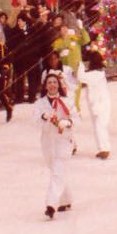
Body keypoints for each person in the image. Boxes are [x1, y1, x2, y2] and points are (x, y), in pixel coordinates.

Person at [35, 70, 74, 219]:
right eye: (49, 82)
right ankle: (66, 199)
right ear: (45, 86)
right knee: (56, 171)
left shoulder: (67, 101)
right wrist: (43, 117)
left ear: (59, 85)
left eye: (54, 82)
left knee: (58, 171)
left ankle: (51, 204)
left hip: (63, 141)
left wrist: (68, 122)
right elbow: (34, 121)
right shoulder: (40, 103)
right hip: (48, 142)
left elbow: (76, 118)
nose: (52, 85)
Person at [76, 45, 112, 159]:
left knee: (100, 126)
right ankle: (103, 148)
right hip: (100, 103)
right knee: (100, 126)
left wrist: (80, 65)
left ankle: (104, 149)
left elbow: (80, 77)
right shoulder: (98, 73)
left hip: (99, 104)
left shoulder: (95, 74)